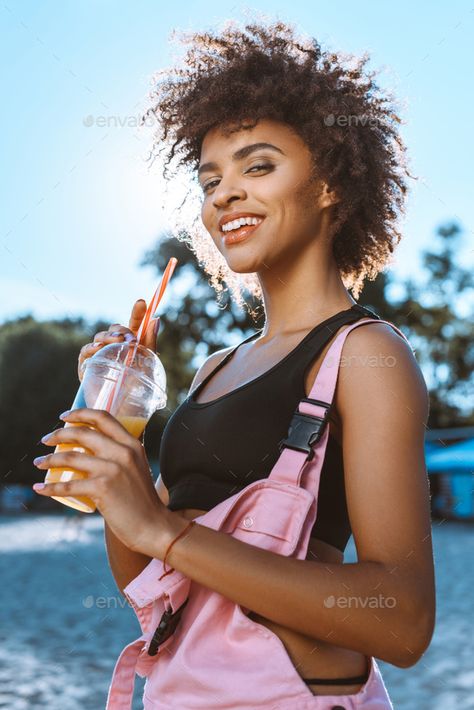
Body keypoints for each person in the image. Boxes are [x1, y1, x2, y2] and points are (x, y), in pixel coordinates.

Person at [33, 17, 435, 704]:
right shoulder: (214, 369)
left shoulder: (366, 357)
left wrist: (163, 528)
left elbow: (401, 622)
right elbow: (153, 581)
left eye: (259, 165)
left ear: (331, 185)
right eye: (209, 177)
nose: (222, 194)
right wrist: (116, 433)